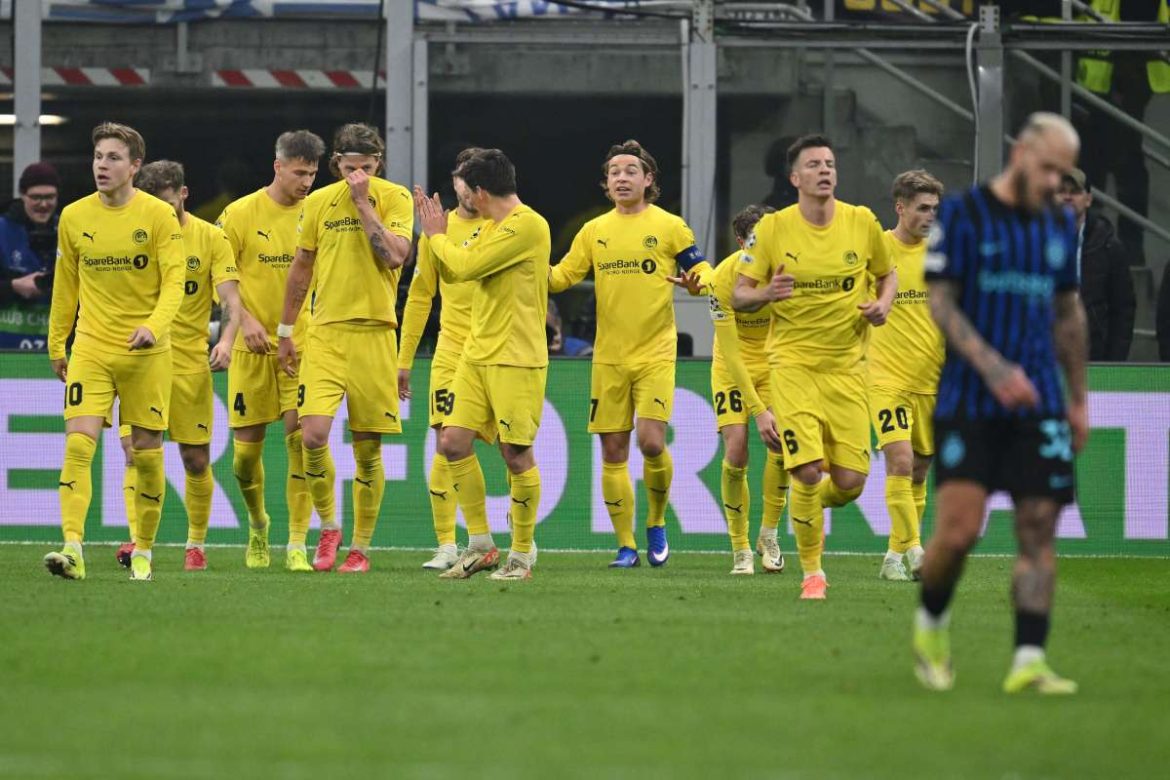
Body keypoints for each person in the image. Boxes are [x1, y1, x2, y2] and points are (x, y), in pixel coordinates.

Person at [914, 113, 1087, 694]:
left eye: (1064, 174)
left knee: (1038, 527)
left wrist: (1078, 399)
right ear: (1020, 154)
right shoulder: (964, 214)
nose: (1056, 182)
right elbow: (941, 302)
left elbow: (1068, 313)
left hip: (1039, 401)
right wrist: (992, 367)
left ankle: (1029, 660)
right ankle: (931, 624)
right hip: (970, 399)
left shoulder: (1059, 224)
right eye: (1049, 168)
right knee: (959, 532)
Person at [733, 134, 896, 600]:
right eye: (814, 164)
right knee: (805, 470)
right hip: (793, 367)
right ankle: (813, 574)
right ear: (794, 177)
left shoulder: (862, 222)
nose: (825, 170)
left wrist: (883, 303)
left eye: (830, 163)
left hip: (848, 369)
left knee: (850, 484)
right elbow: (740, 294)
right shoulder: (773, 229)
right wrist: (766, 293)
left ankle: (807, 508)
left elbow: (887, 273)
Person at [548, 140, 709, 569]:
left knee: (651, 443)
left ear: (648, 179)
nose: (621, 177)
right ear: (606, 183)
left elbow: (700, 270)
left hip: (656, 352)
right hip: (609, 357)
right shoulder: (594, 231)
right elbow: (562, 277)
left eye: (630, 171)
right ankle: (625, 546)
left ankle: (656, 522)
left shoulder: (670, 226)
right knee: (613, 451)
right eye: (614, 172)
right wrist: (524, 269)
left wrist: (699, 282)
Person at [43, 122, 185, 582]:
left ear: (135, 166)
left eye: (113, 158)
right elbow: (65, 287)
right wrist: (57, 342)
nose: (102, 166)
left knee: (145, 453)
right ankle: (72, 547)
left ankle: (143, 550)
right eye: (98, 156)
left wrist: (153, 327)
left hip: (147, 353)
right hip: (92, 347)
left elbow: (175, 282)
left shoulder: (159, 216)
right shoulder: (74, 217)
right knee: (78, 443)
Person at [278, 123, 412, 574]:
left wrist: (362, 203)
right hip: (326, 333)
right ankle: (330, 525)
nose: (358, 175)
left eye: (366, 168)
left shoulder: (395, 198)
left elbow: (395, 256)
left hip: (375, 333)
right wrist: (285, 330)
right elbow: (302, 267)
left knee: (367, 449)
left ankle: (360, 547)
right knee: (311, 435)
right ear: (336, 163)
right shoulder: (317, 202)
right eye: (350, 167)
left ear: (379, 164)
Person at [413, 148, 551, 581]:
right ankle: (480, 544)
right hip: (476, 355)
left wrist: (436, 236)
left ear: (481, 191)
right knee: (452, 442)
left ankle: (521, 556)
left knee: (515, 454)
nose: (464, 198)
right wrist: (440, 242)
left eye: (467, 189)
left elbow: (467, 266)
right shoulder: (492, 227)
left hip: (516, 357)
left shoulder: (527, 225)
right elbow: (456, 273)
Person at [112, 160, 243, 572]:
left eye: (168, 205)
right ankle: (138, 541)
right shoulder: (131, 235)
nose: (162, 214)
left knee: (195, 460)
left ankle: (196, 544)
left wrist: (226, 341)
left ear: (184, 194)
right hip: (140, 361)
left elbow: (231, 300)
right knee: (135, 452)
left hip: (188, 364)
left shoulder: (210, 238)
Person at [217, 130, 324, 572]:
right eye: (299, 173)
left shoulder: (318, 213)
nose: (307, 182)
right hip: (252, 348)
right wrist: (245, 321)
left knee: (302, 444)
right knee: (245, 458)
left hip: (302, 347)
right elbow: (220, 278)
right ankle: (258, 524)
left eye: (313, 174)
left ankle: (297, 542)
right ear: (277, 167)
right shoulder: (239, 214)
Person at [398, 147, 487, 571]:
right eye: (463, 179)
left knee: (513, 448)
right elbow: (420, 297)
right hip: (452, 351)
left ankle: (522, 543)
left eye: (478, 179)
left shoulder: (507, 226)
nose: (470, 188)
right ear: (454, 183)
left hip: (498, 349)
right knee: (445, 440)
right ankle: (448, 545)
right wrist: (404, 360)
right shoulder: (437, 230)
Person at [703, 204, 789, 575]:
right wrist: (759, 410)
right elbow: (732, 353)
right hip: (731, 366)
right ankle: (740, 549)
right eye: (756, 239)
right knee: (736, 451)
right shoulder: (721, 279)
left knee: (783, 446)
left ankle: (769, 535)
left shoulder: (789, 273)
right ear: (741, 243)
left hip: (774, 362)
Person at [868, 170, 946, 582]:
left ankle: (893, 557)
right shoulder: (877, 250)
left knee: (919, 471)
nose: (930, 216)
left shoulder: (943, 256)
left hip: (932, 379)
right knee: (899, 461)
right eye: (922, 208)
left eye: (934, 208)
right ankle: (917, 551)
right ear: (900, 207)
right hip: (885, 377)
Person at [1056, 168, 1135, 361]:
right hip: (1046, 357)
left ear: (1088, 199)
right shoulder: (1036, 243)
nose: (1067, 197)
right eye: (1061, 191)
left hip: (1095, 357)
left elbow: (1123, 309)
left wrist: (1114, 362)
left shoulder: (1108, 246)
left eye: (1075, 191)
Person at [0, 162, 59, 349]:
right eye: (36, 197)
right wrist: (13, 286)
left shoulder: (67, 229)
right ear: (22, 195)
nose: (43, 204)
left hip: (54, 347)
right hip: (6, 348)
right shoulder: (2, 231)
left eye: (50, 197)